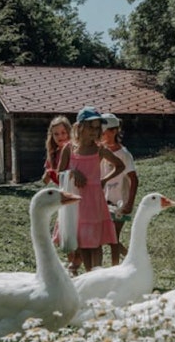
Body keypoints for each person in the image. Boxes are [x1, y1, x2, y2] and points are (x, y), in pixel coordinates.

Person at [57, 106, 125, 273]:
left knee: (95, 243)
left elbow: (120, 165)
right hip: (77, 201)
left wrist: (103, 180)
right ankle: (88, 275)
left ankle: (97, 275)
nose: (94, 131)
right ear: (79, 127)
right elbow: (59, 172)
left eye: (97, 128)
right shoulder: (69, 149)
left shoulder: (99, 149)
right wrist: (72, 172)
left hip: (94, 200)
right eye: (90, 127)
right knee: (83, 242)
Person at [99, 113, 138, 266]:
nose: (101, 135)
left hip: (121, 202)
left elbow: (134, 179)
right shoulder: (101, 151)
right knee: (108, 237)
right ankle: (131, 259)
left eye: (104, 132)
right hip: (105, 200)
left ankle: (115, 267)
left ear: (114, 131)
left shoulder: (124, 154)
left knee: (113, 237)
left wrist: (129, 203)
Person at [42, 115, 72, 185]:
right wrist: (47, 174)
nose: (60, 136)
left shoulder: (76, 151)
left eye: (63, 133)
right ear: (52, 136)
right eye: (56, 134)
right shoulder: (53, 154)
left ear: (69, 133)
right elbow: (45, 181)